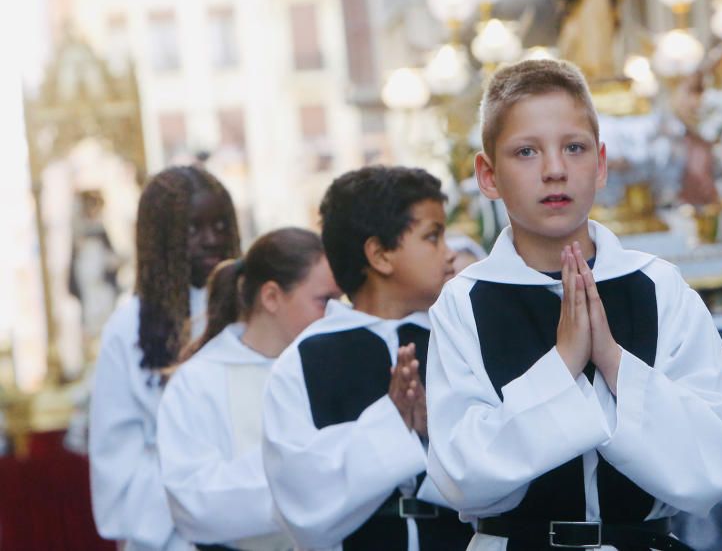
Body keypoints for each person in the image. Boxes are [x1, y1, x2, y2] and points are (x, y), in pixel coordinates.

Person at [425, 58, 722, 550]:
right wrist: (563, 364)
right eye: (527, 152)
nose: (555, 170)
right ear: (488, 176)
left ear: (600, 165)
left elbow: (719, 455)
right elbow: (459, 472)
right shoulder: (465, 302)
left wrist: (614, 361)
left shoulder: (658, 287)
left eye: (574, 148)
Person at [261, 166, 471, 550]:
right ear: (380, 255)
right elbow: (301, 500)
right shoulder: (303, 362)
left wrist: (433, 432)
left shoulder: (458, 342)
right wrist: (393, 423)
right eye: (432, 237)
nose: (450, 253)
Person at [157, 227, 339, 551]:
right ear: (271, 297)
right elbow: (194, 503)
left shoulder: (332, 366)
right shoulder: (199, 382)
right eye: (325, 301)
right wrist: (307, 483)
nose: (337, 314)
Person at [90, 166, 241, 551]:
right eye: (193, 230)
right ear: (160, 239)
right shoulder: (128, 329)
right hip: (170, 529)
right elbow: (117, 452)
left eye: (221, 225)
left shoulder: (251, 308)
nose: (212, 240)